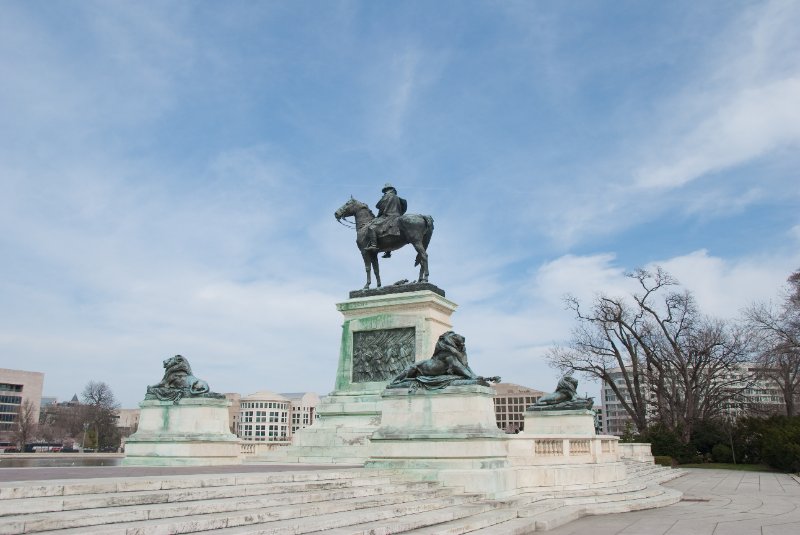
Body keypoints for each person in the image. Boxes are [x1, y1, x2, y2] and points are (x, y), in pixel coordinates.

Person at [364, 183, 407, 257]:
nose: (385, 192)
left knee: (371, 228)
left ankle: (373, 245)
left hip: (388, 216)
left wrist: (378, 216)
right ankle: (388, 252)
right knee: (388, 232)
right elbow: (404, 208)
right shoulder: (398, 198)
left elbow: (380, 207)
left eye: (385, 190)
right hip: (398, 216)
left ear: (387, 189)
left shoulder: (386, 196)